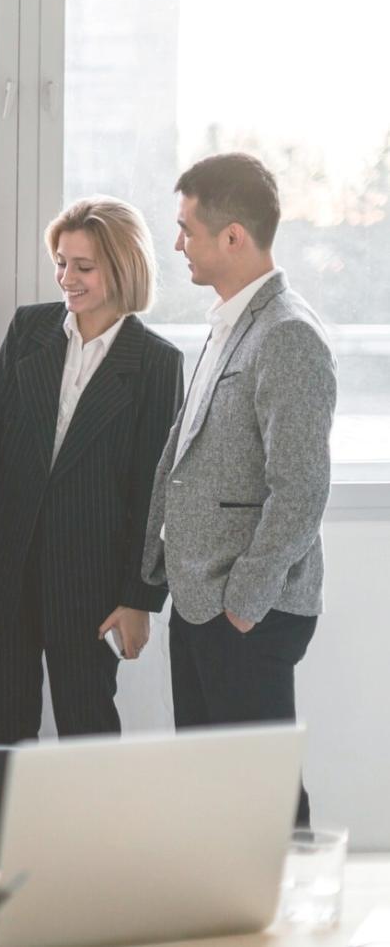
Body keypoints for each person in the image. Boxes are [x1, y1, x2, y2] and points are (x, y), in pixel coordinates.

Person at [0, 197, 184, 743]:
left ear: (122, 268)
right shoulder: (30, 329)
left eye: (83, 266)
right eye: (60, 262)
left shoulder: (157, 362)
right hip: (2, 569)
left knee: (87, 734)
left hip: (90, 585)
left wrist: (140, 598)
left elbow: (154, 492)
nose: (66, 278)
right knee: (3, 734)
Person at [142, 153, 335, 826]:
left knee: (266, 802)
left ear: (232, 237)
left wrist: (245, 603)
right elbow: (184, 452)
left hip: (246, 610)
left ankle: (296, 896)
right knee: (213, 800)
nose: (178, 245)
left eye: (186, 230)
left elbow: (302, 488)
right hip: (202, 600)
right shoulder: (230, 322)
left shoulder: (288, 334)